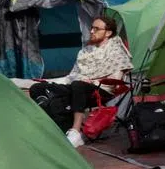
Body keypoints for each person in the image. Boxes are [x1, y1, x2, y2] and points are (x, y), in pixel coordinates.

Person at [28, 15, 132, 147]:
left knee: (77, 86)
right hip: (78, 86)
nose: (92, 31)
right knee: (38, 88)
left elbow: (115, 80)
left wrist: (92, 82)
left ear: (108, 33)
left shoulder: (116, 51)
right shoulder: (86, 51)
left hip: (101, 90)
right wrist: (49, 81)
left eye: (97, 29)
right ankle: (56, 128)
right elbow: (72, 76)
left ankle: (76, 132)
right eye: (92, 28)